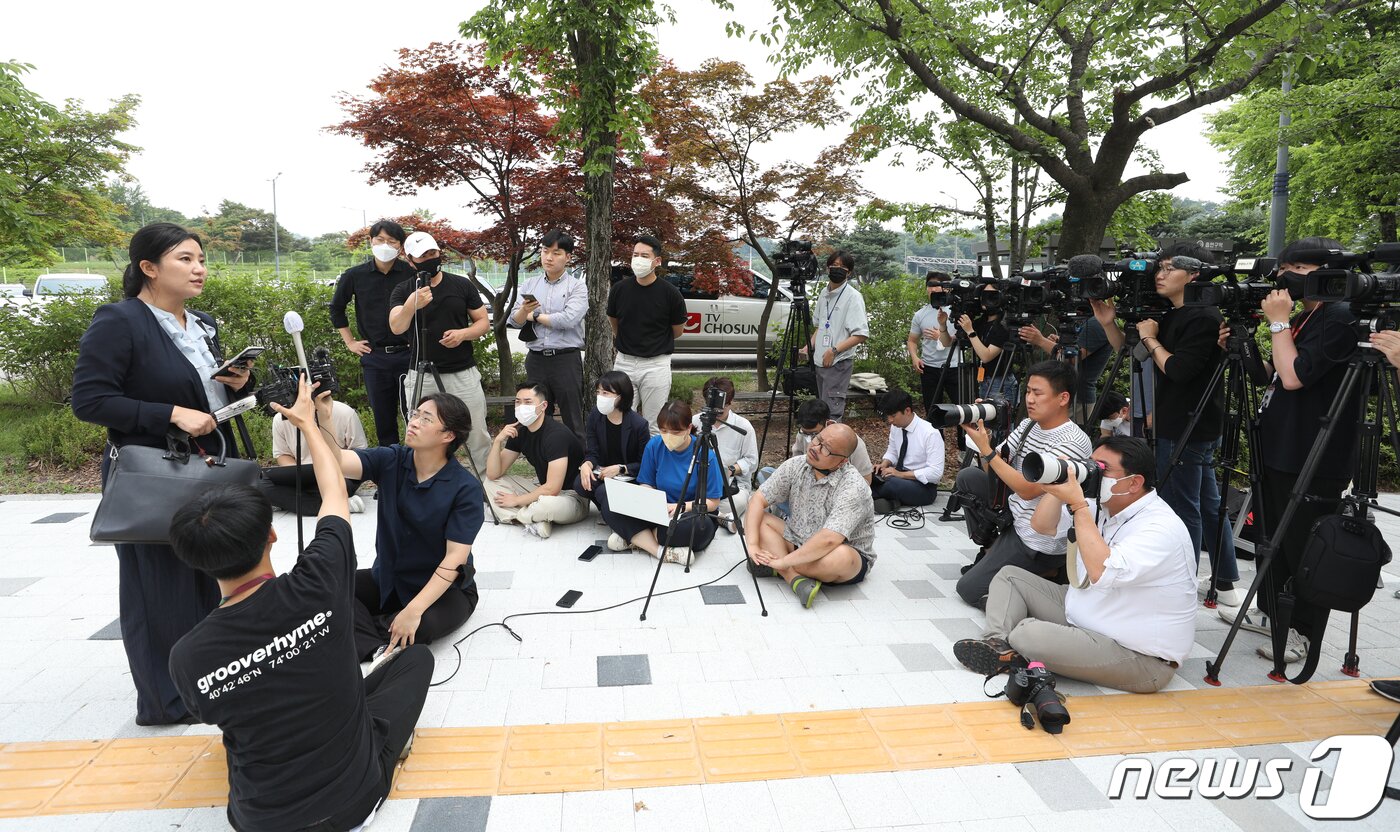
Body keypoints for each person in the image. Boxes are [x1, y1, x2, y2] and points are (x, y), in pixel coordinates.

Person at [167, 378, 433, 831]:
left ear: (194, 561)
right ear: (271, 535)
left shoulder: (188, 656)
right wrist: (308, 424)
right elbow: (334, 495)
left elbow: (213, 713)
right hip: (353, 801)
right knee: (415, 660)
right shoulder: (319, 581)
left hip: (258, 819)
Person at [71, 222, 256, 726]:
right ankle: (165, 701)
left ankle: (209, 684)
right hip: (154, 474)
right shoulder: (121, 321)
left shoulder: (202, 325)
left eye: (201, 259)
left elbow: (208, 399)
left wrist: (239, 383)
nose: (199, 268)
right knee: (158, 588)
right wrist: (170, 413)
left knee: (210, 578)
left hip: (208, 468)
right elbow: (89, 401)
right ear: (148, 268)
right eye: (184, 259)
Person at [952, 436, 1195, 693]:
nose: (1093, 474)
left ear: (1134, 483)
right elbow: (1042, 526)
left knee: (1027, 633)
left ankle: (1018, 644)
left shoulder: (1160, 527)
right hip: (1089, 613)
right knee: (1010, 576)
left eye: (1102, 469)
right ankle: (998, 646)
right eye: (1090, 465)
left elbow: (1101, 571)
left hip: (1138, 656)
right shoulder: (1105, 505)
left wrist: (1078, 505)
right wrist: (1058, 485)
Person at [1220, 237, 1360, 665]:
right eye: (1285, 268)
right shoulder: (1307, 315)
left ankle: (1302, 633)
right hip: (1281, 446)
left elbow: (1296, 376)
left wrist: (1278, 323)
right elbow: (1273, 376)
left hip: (1315, 454)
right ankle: (1273, 613)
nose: (1283, 278)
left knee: (1303, 547)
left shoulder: (1340, 318)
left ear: (1326, 274)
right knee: (1273, 541)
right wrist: (1244, 345)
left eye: (1297, 269)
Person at [1094, 244, 1241, 606]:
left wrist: (1150, 337)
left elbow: (1178, 369)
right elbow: (1131, 354)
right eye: (1159, 268)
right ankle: (1224, 580)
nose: (1160, 274)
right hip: (1179, 420)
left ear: (1194, 275)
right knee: (1207, 502)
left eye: (1170, 268)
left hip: (1189, 424)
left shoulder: (1203, 316)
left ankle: (1181, 583)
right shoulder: (1173, 313)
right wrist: (1109, 323)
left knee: (1182, 504)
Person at [315, 391, 485, 660]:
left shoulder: (465, 488)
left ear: (448, 435)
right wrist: (323, 417)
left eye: (426, 419)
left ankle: (356, 632)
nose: (414, 422)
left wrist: (414, 610)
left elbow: (455, 559)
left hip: (443, 590)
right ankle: (376, 644)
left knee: (421, 626)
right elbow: (336, 460)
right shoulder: (392, 459)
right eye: (415, 414)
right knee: (327, 590)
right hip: (389, 578)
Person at [953, 360, 1093, 609]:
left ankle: (1043, 576)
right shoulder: (1030, 424)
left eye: (1038, 393)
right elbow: (992, 468)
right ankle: (993, 548)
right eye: (1028, 391)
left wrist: (986, 450)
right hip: (1014, 515)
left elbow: (1028, 491)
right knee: (968, 478)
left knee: (969, 589)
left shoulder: (1073, 441)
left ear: (1062, 398)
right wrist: (984, 440)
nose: (1029, 399)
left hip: (1037, 536)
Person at [389, 231, 492, 470]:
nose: (429, 258)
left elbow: (483, 322)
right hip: (421, 374)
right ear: (410, 260)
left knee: (476, 430)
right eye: (422, 255)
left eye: (433, 253)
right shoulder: (403, 290)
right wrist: (412, 305)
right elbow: (396, 326)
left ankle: (486, 482)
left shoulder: (461, 284)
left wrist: (462, 334)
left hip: (462, 372)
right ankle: (425, 479)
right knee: (420, 432)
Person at [746, 422, 876, 608]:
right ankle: (794, 578)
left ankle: (778, 566)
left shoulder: (853, 486)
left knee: (840, 557)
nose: (815, 448)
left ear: (842, 461)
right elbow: (758, 499)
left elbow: (830, 540)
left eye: (826, 450)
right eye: (818, 439)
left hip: (841, 551)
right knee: (760, 519)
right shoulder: (796, 464)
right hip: (798, 539)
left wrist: (783, 560)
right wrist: (752, 546)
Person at [600, 400, 722, 565]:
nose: (668, 436)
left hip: (688, 513)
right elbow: (646, 483)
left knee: (698, 529)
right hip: (657, 511)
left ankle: (636, 537)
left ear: (688, 428)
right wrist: (647, 501)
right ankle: (659, 551)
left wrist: (680, 507)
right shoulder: (655, 445)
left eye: (676, 431)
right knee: (608, 500)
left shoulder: (705, 454)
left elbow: (713, 502)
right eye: (664, 431)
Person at [329, 219, 418, 446]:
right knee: (383, 417)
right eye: (380, 240)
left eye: (392, 241)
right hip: (375, 356)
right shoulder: (355, 275)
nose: (385, 245)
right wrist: (350, 342)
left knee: (416, 414)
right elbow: (337, 308)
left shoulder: (412, 273)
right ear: (371, 241)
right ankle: (390, 467)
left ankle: (417, 465)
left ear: (400, 246)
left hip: (410, 354)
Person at [484, 380, 590, 539]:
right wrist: (498, 441)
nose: (521, 407)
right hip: (541, 492)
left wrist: (517, 500)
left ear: (543, 406)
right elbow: (493, 474)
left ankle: (522, 516)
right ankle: (534, 520)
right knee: (489, 484)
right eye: (518, 402)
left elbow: (553, 489)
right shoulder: (519, 431)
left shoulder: (556, 435)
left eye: (528, 402)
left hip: (571, 498)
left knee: (546, 505)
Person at [509, 229, 588, 440]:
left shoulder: (577, 287)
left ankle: (577, 467)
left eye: (556, 252)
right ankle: (544, 466)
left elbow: (567, 320)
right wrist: (524, 312)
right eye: (545, 251)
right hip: (535, 359)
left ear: (568, 257)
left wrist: (532, 315)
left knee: (572, 419)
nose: (549, 257)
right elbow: (513, 321)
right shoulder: (530, 284)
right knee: (536, 417)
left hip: (565, 360)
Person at [607, 235, 688, 434]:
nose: (638, 259)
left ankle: (651, 464)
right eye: (635, 255)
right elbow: (614, 323)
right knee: (621, 419)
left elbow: (677, 330)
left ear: (657, 261)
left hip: (656, 365)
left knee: (655, 424)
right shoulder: (619, 289)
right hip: (624, 361)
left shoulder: (670, 293)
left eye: (645, 255)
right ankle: (624, 465)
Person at [262, 391, 369, 514]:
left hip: (340, 473)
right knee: (259, 483)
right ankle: (342, 504)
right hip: (304, 475)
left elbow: (360, 454)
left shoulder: (344, 412)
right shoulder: (281, 418)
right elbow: (283, 455)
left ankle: (293, 500)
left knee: (334, 486)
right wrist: (296, 478)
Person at [806, 251, 869, 420]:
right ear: (827, 268)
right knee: (820, 410)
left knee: (831, 413)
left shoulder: (853, 297)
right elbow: (820, 326)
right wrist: (808, 346)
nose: (837, 269)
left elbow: (861, 335)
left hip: (838, 362)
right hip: (820, 361)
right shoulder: (823, 294)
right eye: (834, 265)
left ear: (849, 272)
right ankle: (821, 445)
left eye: (842, 267)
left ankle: (833, 445)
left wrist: (833, 351)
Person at [576, 370, 651, 514]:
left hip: (627, 475)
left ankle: (615, 514)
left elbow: (644, 463)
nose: (600, 397)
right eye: (598, 392)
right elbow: (593, 452)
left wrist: (621, 468)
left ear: (621, 396)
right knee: (580, 483)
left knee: (603, 492)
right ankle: (609, 511)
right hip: (603, 472)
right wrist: (587, 464)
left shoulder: (639, 425)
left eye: (606, 393)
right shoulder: (595, 416)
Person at [691, 376, 759, 526]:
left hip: (731, 486)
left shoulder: (743, 427)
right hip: (698, 481)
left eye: (721, 411)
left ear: (731, 402)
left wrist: (730, 470)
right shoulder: (695, 422)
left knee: (734, 504)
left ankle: (703, 511)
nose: (717, 414)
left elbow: (752, 462)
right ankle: (720, 517)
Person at [871, 387, 945, 513]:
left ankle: (866, 498)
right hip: (898, 478)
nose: (890, 421)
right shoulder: (896, 427)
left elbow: (935, 473)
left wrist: (900, 474)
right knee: (870, 475)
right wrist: (884, 464)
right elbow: (893, 452)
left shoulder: (930, 433)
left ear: (907, 410)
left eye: (893, 416)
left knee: (890, 484)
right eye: (888, 417)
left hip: (923, 487)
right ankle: (887, 501)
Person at [909, 272, 962, 413]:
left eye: (936, 286)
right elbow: (912, 340)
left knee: (962, 410)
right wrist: (915, 357)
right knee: (932, 411)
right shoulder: (920, 314)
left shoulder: (955, 311)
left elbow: (963, 338)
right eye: (929, 286)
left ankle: (963, 436)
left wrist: (941, 335)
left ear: (946, 288)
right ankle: (935, 435)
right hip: (929, 368)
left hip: (954, 367)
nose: (932, 289)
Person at [957, 283, 1016, 402]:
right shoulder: (981, 322)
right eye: (984, 295)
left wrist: (970, 331)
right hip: (984, 379)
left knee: (1001, 419)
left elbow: (986, 356)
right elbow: (948, 342)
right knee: (985, 418)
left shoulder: (1005, 325)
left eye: (991, 295)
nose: (986, 298)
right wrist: (942, 325)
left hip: (1000, 382)